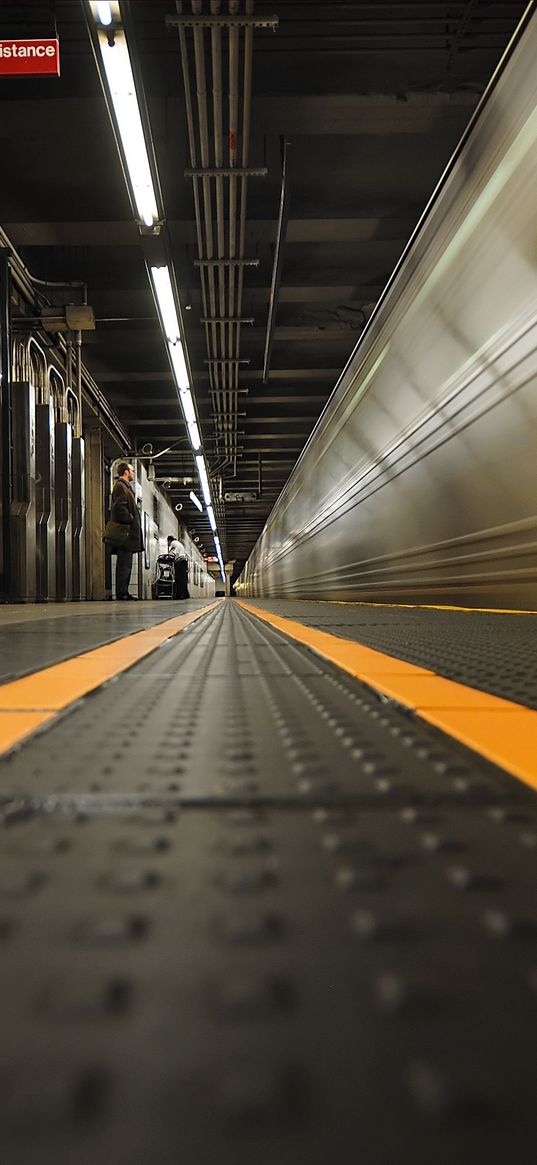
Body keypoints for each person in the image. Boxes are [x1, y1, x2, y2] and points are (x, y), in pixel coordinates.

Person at [111, 463, 143, 600]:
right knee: (124, 564)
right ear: (126, 472)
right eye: (132, 471)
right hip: (125, 533)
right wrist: (130, 519)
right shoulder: (120, 487)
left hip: (127, 533)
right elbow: (119, 507)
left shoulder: (124, 487)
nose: (134, 473)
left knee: (126, 564)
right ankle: (122, 593)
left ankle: (124, 591)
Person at [167, 533, 190, 599]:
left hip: (180, 562)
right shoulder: (178, 543)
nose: (168, 544)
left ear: (169, 540)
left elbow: (178, 548)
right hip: (183, 562)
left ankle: (180, 595)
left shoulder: (173, 542)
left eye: (168, 542)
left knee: (179, 579)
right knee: (183, 579)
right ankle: (184, 595)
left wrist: (173, 554)